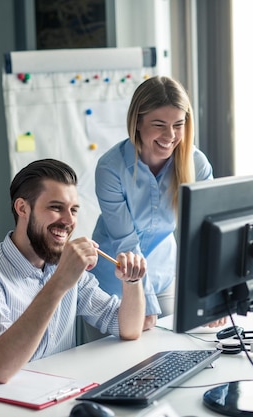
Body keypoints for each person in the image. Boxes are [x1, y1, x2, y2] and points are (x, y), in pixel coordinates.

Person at [0, 159, 146, 383]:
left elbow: (128, 328)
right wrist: (59, 283)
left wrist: (132, 281)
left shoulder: (62, 263)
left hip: (58, 393)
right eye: (56, 207)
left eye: (73, 210)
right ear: (22, 208)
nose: (69, 220)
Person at [90, 75, 214, 330]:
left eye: (178, 125)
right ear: (137, 123)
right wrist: (143, 304)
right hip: (113, 282)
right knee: (113, 363)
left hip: (163, 275)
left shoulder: (196, 164)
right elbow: (126, 242)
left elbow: (208, 233)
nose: (170, 135)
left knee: (177, 350)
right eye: (159, 124)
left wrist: (214, 293)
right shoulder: (111, 168)